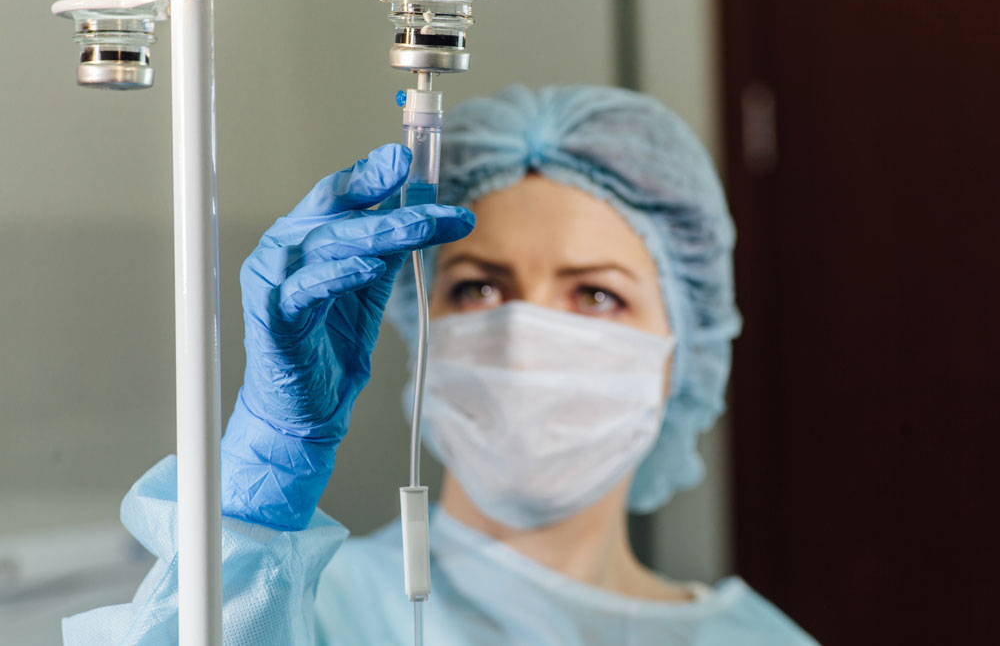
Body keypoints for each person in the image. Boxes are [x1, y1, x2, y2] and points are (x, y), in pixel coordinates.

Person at [63, 85, 817, 645]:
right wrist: (254, 508)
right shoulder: (301, 607)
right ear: (418, 323)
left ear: (683, 348)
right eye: (480, 286)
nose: (525, 334)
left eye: (594, 295)